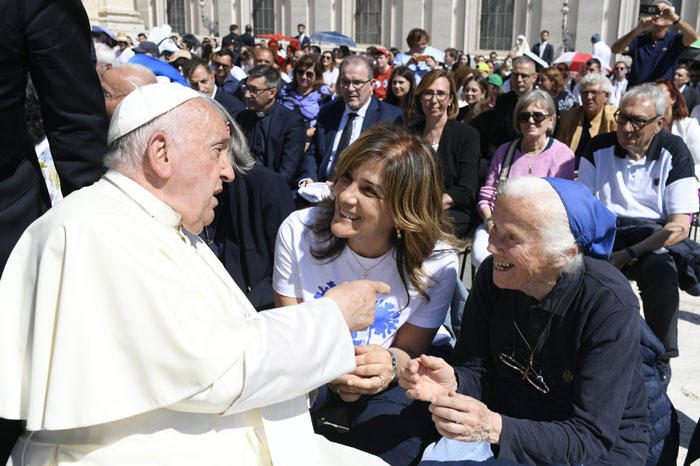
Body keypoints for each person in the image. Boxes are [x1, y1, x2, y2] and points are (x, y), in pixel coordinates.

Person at [0, 82, 391, 466]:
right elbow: (212, 368)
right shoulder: (97, 230)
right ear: (161, 153)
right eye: (218, 151)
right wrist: (331, 316)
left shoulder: (158, 224)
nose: (229, 172)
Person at [401, 176, 651, 465]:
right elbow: (477, 369)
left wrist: (495, 427)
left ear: (561, 255)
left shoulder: (608, 303)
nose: (492, 245)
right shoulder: (493, 277)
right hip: (508, 426)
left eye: (512, 237)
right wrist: (454, 382)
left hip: (593, 451)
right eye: (494, 226)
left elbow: (591, 436)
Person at [273, 124, 460, 464]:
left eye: (369, 191)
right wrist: (331, 373)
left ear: (405, 208)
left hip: (388, 382)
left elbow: (409, 349)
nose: (345, 196)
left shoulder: (438, 262)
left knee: (389, 444)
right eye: (346, 177)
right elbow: (290, 333)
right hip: (309, 368)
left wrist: (388, 366)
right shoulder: (297, 231)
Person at [579, 83, 699, 387]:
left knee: (661, 272)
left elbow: (679, 226)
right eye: (622, 118)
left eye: (637, 121)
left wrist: (629, 254)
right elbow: (584, 209)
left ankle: (661, 356)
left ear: (659, 123)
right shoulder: (598, 147)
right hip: (606, 233)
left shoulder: (674, 150)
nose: (627, 128)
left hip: (651, 239)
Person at [472, 90, 575, 269]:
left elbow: (562, 206)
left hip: (540, 231)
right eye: (524, 116)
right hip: (499, 226)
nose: (531, 121)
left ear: (551, 119)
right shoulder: (504, 152)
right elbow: (487, 195)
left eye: (538, 116)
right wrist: (490, 223)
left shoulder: (562, 154)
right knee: (481, 255)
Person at [299, 55, 403, 184]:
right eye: (345, 82)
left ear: (371, 85)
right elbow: (313, 153)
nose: (350, 89)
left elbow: (388, 167)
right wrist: (308, 179)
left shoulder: (388, 117)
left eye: (357, 82)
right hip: (320, 188)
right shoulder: (328, 112)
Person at [407, 70, 480, 238]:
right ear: (420, 97)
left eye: (441, 94)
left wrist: (425, 207)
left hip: (450, 212)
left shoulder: (467, 136)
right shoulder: (410, 132)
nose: (434, 100)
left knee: (417, 231)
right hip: (411, 208)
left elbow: (464, 189)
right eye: (428, 93)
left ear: (451, 99)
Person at [236, 65, 306, 187]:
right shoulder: (242, 118)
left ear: (272, 93)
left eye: (254, 90)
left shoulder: (291, 123)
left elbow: (287, 172)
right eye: (246, 88)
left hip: (271, 189)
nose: (247, 94)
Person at [612, 0, 699, 86]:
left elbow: (694, 37)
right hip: (637, 93)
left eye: (664, 13)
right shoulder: (639, 40)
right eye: (656, 11)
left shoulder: (674, 40)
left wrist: (676, 18)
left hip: (661, 94)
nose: (659, 15)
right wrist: (637, 30)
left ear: (670, 21)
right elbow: (616, 49)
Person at [556, 72, 617, 166]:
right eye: (585, 92)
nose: (589, 97)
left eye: (594, 93)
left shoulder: (615, 118)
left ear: (606, 96)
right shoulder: (568, 116)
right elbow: (558, 150)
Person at [487, 56, 538, 155]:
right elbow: (495, 134)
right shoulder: (503, 101)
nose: (519, 80)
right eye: (515, 75)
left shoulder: (543, 103)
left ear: (534, 77)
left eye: (524, 76)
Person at [655, 79, 700, 184]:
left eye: (659, 93)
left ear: (673, 98)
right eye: (651, 94)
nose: (655, 98)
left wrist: (688, 180)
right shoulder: (646, 126)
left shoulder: (689, 125)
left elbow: (699, 163)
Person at [277, 55, 333, 138]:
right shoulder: (285, 89)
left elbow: (326, 121)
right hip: (282, 137)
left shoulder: (323, 94)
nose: (304, 77)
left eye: (309, 74)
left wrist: (302, 135)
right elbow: (276, 114)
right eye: (300, 72)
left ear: (316, 76)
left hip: (308, 141)